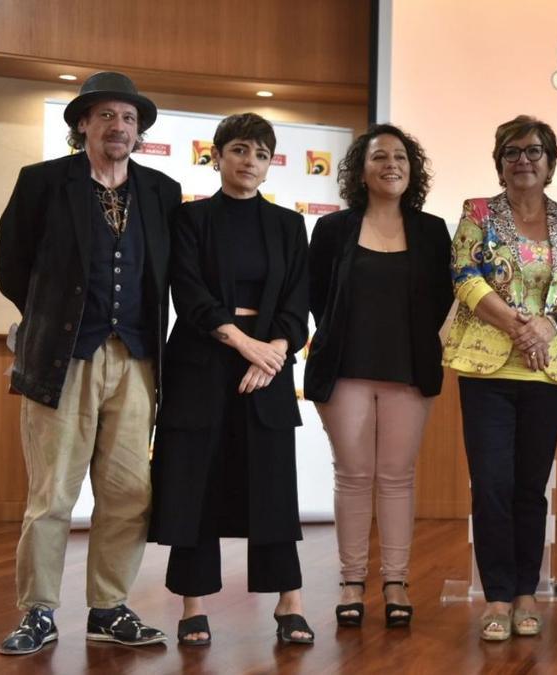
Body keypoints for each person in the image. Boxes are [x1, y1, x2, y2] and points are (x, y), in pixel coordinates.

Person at [0, 71, 180, 655]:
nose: (118, 127)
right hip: (63, 358)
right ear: (82, 124)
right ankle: (39, 611)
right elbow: (11, 263)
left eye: (128, 119)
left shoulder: (161, 191)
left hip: (138, 360)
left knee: (129, 492)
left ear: (138, 130)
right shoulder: (44, 182)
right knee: (52, 494)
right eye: (105, 116)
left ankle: (108, 608)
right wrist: (47, 320)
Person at [147, 113, 313, 646]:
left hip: (266, 366)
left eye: (262, 154)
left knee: (272, 484)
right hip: (203, 364)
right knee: (193, 484)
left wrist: (275, 353)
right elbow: (189, 294)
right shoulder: (190, 220)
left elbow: (297, 300)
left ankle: (290, 603)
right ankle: (193, 608)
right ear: (217, 155)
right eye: (240, 150)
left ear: (269, 166)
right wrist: (247, 347)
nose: (250, 162)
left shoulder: (289, 225)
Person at [444, 115, 557, 641]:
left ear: (551, 163)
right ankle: (497, 596)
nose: (523, 160)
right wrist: (517, 325)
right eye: (512, 151)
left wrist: (549, 325)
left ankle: (527, 591)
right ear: (499, 162)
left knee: (531, 488)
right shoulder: (478, 212)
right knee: (491, 486)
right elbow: (465, 276)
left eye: (534, 151)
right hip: (486, 364)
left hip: (549, 370)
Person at [305, 124, 453, 628]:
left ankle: (395, 581)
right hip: (345, 371)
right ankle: (351, 580)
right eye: (379, 157)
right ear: (360, 170)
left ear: (412, 171)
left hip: (409, 370)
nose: (391, 164)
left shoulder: (432, 231)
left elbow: (442, 298)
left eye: (401, 158)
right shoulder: (332, 229)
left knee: (395, 478)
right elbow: (316, 297)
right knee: (352, 477)